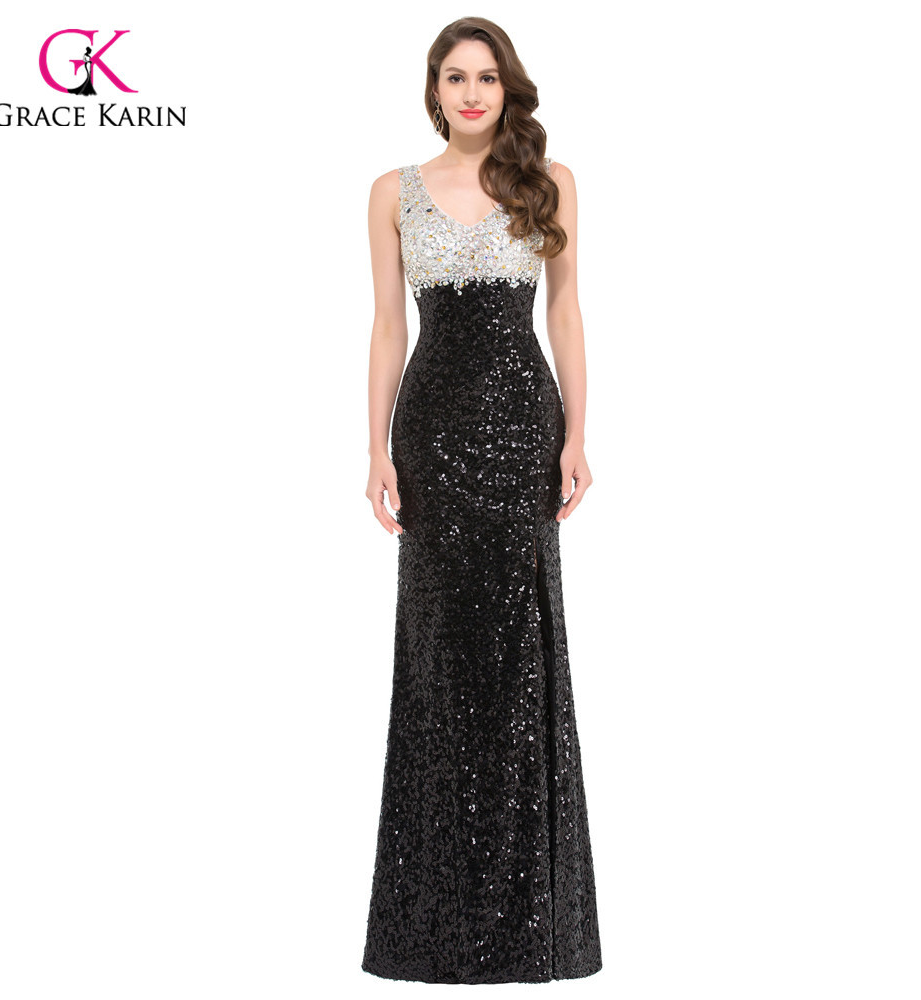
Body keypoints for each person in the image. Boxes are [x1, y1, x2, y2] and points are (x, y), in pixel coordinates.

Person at [361, 16, 601, 984]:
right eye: (455, 77)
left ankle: (529, 929)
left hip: (519, 432)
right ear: (434, 89)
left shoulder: (550, 182)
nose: (471, 93)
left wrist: (577, 433)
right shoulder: (391, 192)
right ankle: (431, 929)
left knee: (518, 657)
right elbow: (386, 326)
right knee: (436, 657)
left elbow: (566, 310)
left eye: (487, 78)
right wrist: (375, 447)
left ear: (509, 90)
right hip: (432, 436)